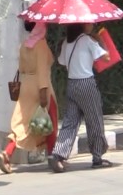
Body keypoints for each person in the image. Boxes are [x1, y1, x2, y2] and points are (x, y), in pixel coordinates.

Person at [48, 23, 116, 172]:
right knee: (95, 120)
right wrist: (100, 40)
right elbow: (106, 57)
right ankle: (97, 158)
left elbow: (62, 62)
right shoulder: (87, 40)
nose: (92, 24)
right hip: (87, 84)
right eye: (89, 22)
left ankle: (58, 154)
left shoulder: (67, 42)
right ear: (82, 25)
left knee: (70, 122)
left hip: (72, 85)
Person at [0, 22, 58, 174]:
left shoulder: (24, 44)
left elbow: (22, 68)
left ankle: (7, 153)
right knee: (51, 121)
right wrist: (43, 92)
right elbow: (43, 70)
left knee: (21, 123)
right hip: (40, 86)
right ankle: (52, 156)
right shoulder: (41, 45)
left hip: (25, 86)